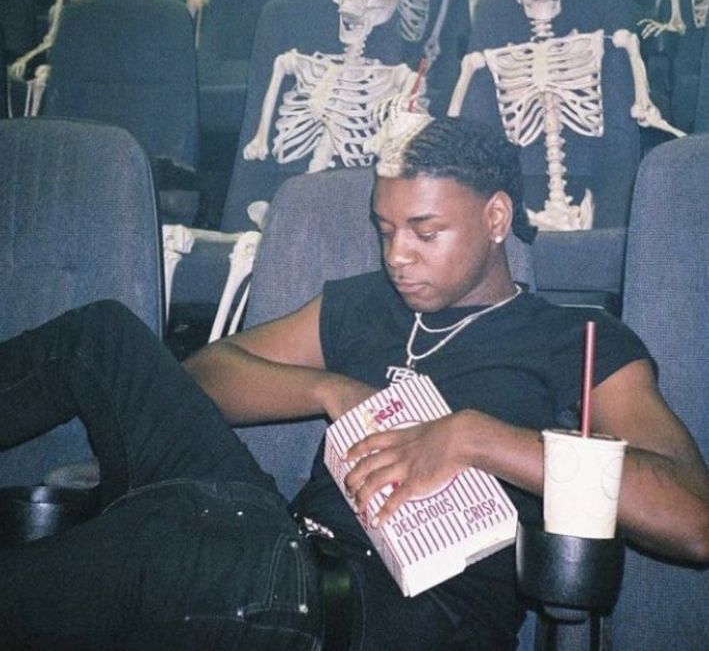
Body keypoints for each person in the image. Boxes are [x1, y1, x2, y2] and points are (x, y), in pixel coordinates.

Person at [0, 119, 707, 649]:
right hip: (271, 533)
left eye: (424, 231)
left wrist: (475, 437)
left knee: (165, 533)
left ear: (495, 218)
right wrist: (329, 390)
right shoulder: (366, 302)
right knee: (103, 338)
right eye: (384, 228)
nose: (397, 255)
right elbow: (203, 378)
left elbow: (692, 518)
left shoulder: (571, 341)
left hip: (388, 606)